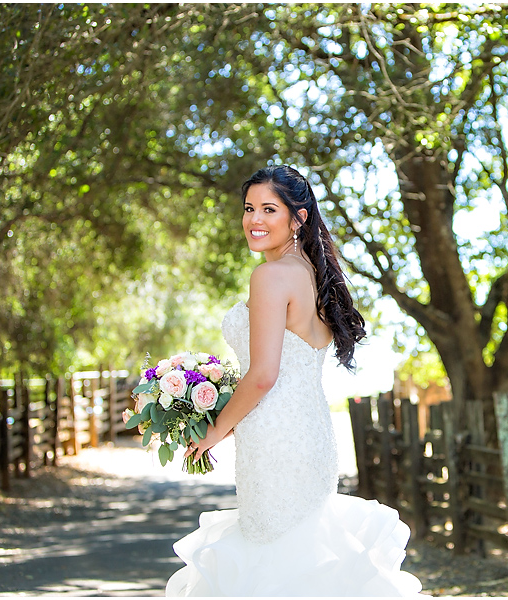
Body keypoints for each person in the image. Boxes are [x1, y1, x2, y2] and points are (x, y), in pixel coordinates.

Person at [165, 165, 422, 596]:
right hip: (309, 435)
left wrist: (213, 431)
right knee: (302, 558)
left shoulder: (270, 276)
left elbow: (264, 376)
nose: (254, 220)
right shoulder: (313, 275)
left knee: (272, 560)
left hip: (276, 440)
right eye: (249, 209)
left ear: (298, 218)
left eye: (269, 209)